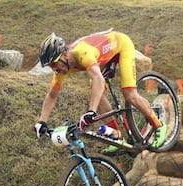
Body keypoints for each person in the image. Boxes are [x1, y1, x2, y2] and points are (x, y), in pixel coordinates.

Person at [34, 29, 164, 154]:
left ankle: (159, 125)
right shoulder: (62, 66)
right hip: (102, 55)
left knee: (129, 94)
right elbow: (52, 95)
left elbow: (98, 79)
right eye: (50, 66)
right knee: (98, 93)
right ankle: (116, 137)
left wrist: (91, 111)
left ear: (63, 54)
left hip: (121, 44)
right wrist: (42, 121)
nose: (54, 69)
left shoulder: (82, 53)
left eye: (54, 64)